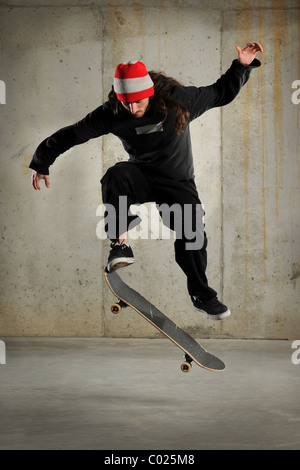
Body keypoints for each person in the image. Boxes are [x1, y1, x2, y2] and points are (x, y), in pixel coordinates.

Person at [30, 42, 263, 320]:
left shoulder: (179, 101)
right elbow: (74, 133)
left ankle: (201, 294)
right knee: (116, 174)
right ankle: (120, 243)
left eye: (138, 102)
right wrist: (42, 160)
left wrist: (242, 65)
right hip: (141, 177)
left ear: (150, 95)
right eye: (126, 102)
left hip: (177, 182)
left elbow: (221, 92)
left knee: (193, 234)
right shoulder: (113, 111)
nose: (132, 108)